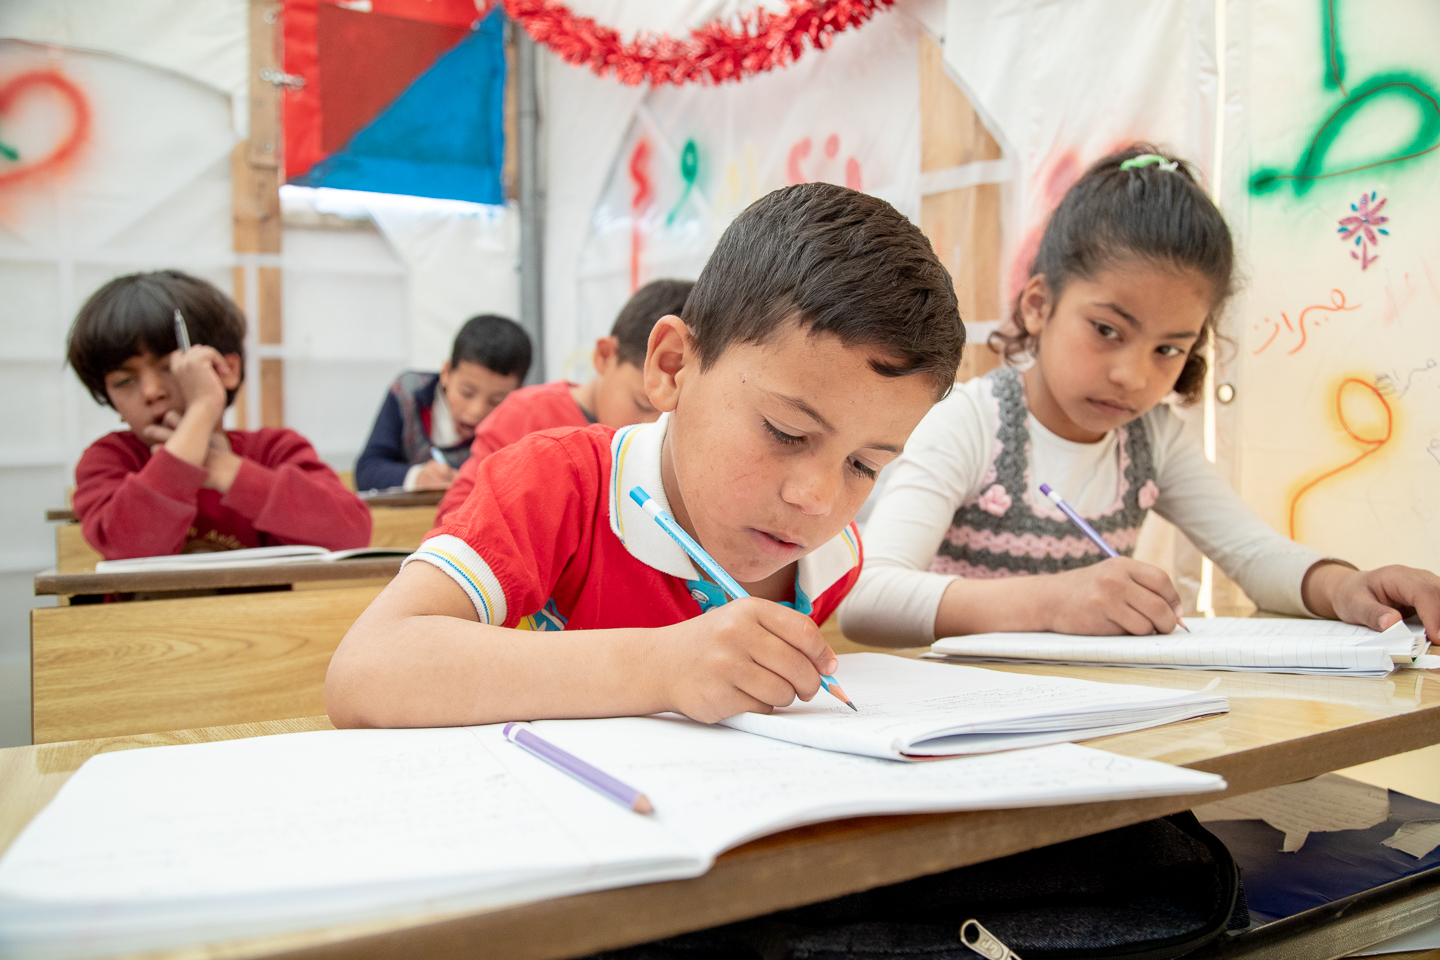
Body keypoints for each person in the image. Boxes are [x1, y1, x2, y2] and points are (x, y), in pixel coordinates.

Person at [325, 183, 965, 729]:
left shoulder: (831, 560)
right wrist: (661, 666)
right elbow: (367, 669)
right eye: (786, 431)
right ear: (672, 366)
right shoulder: (559, 484)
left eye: (864, 466)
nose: (818, 499)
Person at [839, 145, 1440, 647]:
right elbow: (869, 599)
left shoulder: (1153, 441)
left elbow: (1254, 555)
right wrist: (1054, 601)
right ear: (1039, 305)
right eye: (1107, 330)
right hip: (966, 719)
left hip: (1102, 719)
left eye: (1169, 348)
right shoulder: (972, 423)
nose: (1132, 375)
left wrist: (1346, 587)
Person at [67, 270, 371, 560]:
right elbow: (129, 546)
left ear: (226, 370)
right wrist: (201, 410)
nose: (150, 392)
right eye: (124, 382)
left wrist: (222, 468)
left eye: (170, 367)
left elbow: (351, 533)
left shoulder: (274, 450)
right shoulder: (109, 460)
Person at [434, 279, 693, 524]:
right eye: (642, 404)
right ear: (604, 356)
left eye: (671, 415)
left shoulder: (666, 447)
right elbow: (455, 515)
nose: (653, 426)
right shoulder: (527, 415)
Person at [354, 314, 531, 492]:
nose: (477, 410)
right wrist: (417, 477)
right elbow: (367, 469)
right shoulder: (408, 392)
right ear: (446, 372)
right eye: (466, 393)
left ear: (519, 392)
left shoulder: (523, 421)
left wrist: (468, 482)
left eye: (496, 401)